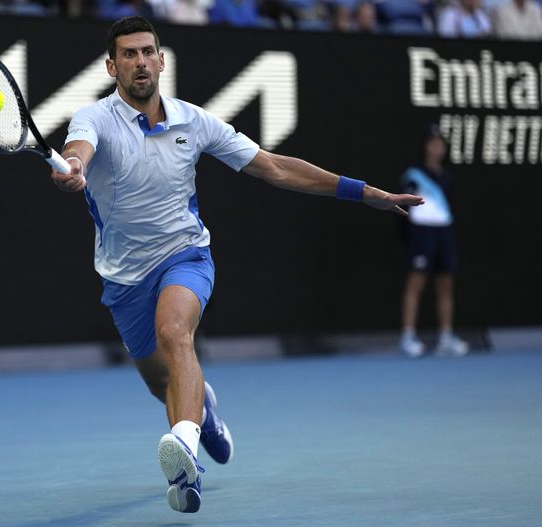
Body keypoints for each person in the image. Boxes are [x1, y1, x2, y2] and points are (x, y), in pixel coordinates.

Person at [50, 16, 423, 513]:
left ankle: (185, 461)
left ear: (161, 60)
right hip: (123, 277)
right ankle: (204, 410)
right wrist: (74, 166)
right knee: (161, 382)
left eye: (147, 52)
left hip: (185, 255)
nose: (140, 62)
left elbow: (275, 167)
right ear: (111, 66)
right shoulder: (93, 118)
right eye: (129, 54)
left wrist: (365, 193)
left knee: (175, 333)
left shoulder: (195, 121)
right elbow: (79, 149)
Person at [398, 125, 469, 358]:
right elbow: (403, 209)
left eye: (441, 144)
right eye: (433, 143)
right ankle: (407, 337)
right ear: (425, 146)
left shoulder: (447, 176)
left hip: (443, 232)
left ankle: (446, 337)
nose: (438, 148)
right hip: (421, 234)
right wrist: (409, 236)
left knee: (446, 284)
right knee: (415, 284)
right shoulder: (413, 175)